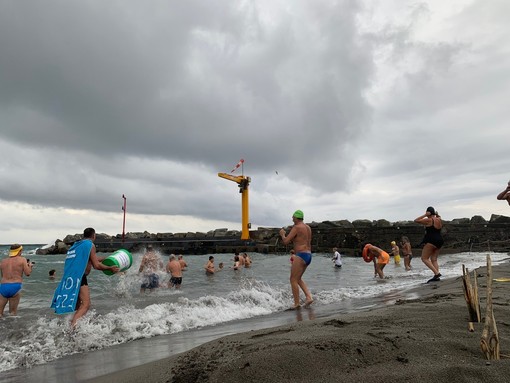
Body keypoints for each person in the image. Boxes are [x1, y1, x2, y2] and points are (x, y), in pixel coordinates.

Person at [51, 228, 119, 327]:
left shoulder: (77, 245)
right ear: (94, 235)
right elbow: (96, 265)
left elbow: (91, 259)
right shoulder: (90, 245)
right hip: (80, 277)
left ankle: (73, 325)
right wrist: (110, 268)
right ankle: (72, 330)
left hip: (70, 277)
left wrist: (108, 258)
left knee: (79, 306)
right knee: (86, 304)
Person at [279, 209, 313, 309]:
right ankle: (308, 297)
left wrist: (282, 234)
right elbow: (301, 239)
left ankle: (296, 303)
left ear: (297, 217)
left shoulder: (297, 227)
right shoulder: (308, 227)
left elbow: (285, 241)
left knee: (293, 279)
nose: (292, 219)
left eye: (293, 217)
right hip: (308, 255)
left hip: (300, 255)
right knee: (298, 279)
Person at [0, 244, 33, 317]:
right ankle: (12, 328)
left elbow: (2, 276)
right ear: (19, 251)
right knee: (12, 314)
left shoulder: (3, 261)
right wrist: (30, 266)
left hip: (3, 286)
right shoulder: (22, 259)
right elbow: (27, 273)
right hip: (15, 286)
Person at [414, 206, 444, 282]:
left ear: (428, 212)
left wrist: (425, 215)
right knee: (434, 259)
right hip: (440, 240)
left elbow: (416, 220)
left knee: (424, 258)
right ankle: (436, 276)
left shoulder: (429, 220)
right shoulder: (439, 219)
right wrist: (436, 215)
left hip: (432, 240)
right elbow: (439, 217)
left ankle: (437, 273)